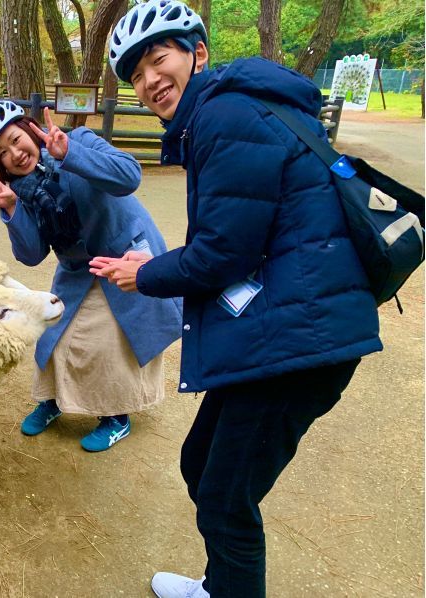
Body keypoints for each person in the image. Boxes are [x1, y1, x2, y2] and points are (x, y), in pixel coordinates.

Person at [90, 1, 383, 596]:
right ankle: (219, 585)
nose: (149, 81)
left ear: (197, 53)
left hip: (302, 338)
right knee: (202, 466)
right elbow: (239, 237)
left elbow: (223, 254)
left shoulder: (223, 115)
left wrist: (144, 274)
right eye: (136, 74)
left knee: (225, 499)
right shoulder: (222, 113)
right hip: (287, 323)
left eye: (158, 58)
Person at [0, 100, 182, 452]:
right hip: (78, 268)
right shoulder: (21, 193)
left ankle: (116, 417)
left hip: (125, 256)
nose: (15, 154)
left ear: (28, 128)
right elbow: (32, 254)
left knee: (110, 342)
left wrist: (71, 153)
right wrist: (10, 209)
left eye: (14, 139)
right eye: (2, 153)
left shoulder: (77, 140)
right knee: (56, 332)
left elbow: (129, 175)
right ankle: (53, 401)